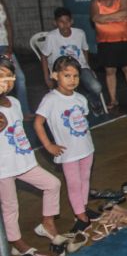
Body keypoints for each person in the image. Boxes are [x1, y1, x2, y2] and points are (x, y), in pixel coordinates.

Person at [0, 57, 66, 256]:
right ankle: (17, 244)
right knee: (10, 207)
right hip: (3, 168)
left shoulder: (16, 103)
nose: (5, 81)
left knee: (53, 184)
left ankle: (47, 224)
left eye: (8, 76)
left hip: (24, 161)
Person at [33, 56, 98, 236]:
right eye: (67, 76)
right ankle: (80, 216)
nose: (72, 80)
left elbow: (83, 120)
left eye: (75, 76)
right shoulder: (50, 99)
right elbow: (38, 123)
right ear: (55, 76)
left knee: (85, 179)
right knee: (74, 183)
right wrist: (48, 145)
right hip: (68, 152)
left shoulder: (80, 98)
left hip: (86, 148)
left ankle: (83, 208)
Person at [39, 8, 104, 115]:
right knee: (67, 92)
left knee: (96, 87)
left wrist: (87, 66)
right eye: (61, 22)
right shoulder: (51, 37)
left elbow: (85, 49)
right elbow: (44, 56)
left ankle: (93, 100)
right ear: (55, 23)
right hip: (61, 70)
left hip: (80, 67)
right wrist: (47, 77)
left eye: (67, 21)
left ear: (72, 21)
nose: (65, 25)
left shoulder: (80, 33)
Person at [90, 0, 127, 110]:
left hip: (123, 39)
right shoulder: (95, 2)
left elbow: (125, 13)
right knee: (110, 70)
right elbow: (95, 18)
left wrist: (105, 18)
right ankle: (113, 99)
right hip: (105, 41)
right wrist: (116, 17)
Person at [0, 0, 30, 115]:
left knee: (20, 78)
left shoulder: (1, 0)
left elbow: (8, 23)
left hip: (4, 46)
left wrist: (10, 46)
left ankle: (24, 111)